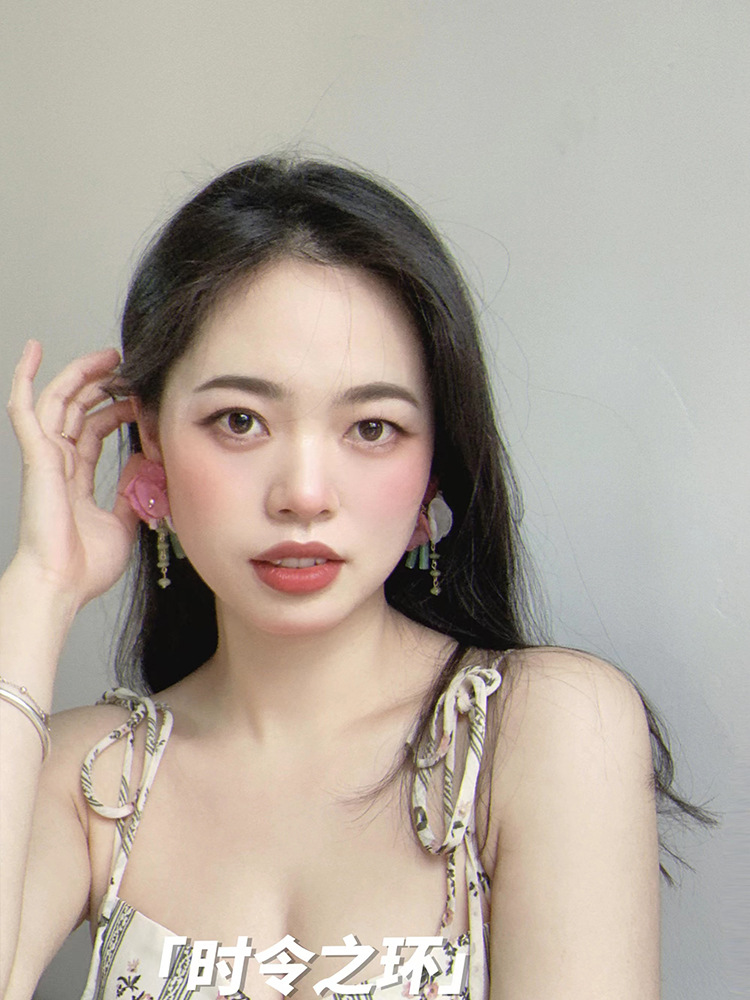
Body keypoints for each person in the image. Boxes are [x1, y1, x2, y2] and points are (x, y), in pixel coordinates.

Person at [0, 157, 705, 1000]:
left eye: (372, 427)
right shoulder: (85, 776)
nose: (304, 494)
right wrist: (41, 587)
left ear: (435, 460)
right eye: (240, 420)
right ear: (150, 438)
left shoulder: (542, 727)